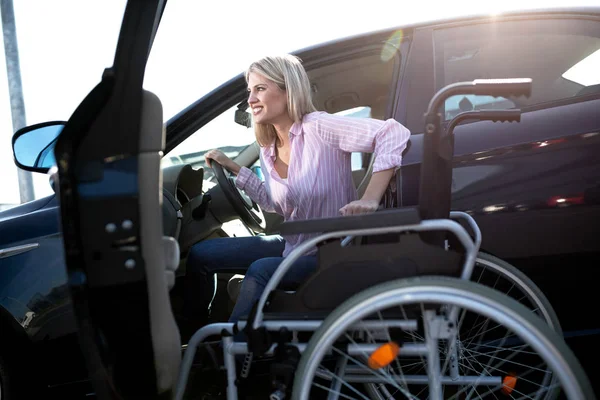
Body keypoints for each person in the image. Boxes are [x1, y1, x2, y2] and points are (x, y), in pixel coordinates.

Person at [183, 54, 411, 331]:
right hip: (294, 245)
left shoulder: (319, 127)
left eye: (260, 89)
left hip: (330, 252)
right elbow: (274, 204)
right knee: (200, 254)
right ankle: (190, 338)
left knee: (261, 270)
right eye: (249, 91)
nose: (250, 99)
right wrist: (233, 168)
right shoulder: (268, 149)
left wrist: (369, 199)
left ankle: (229, 350)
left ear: (287, 89)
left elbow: (393, 133)